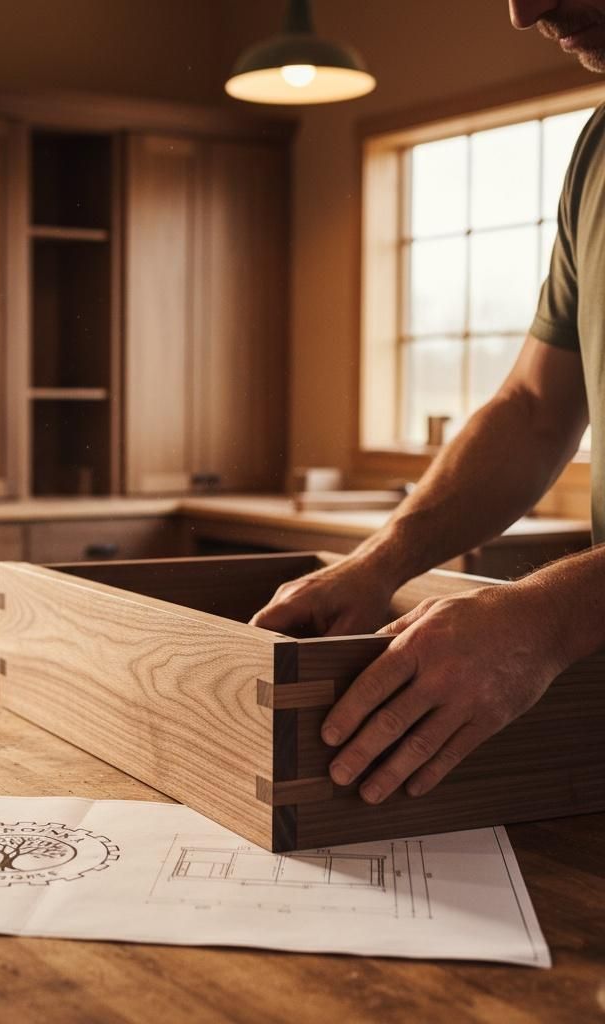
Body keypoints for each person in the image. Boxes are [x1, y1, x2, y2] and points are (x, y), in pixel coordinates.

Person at [250, 0, 605, 807]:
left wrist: (545, 617)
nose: (525, 11)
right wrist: (384, 559)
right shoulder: (598, 147)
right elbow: (534, 407)